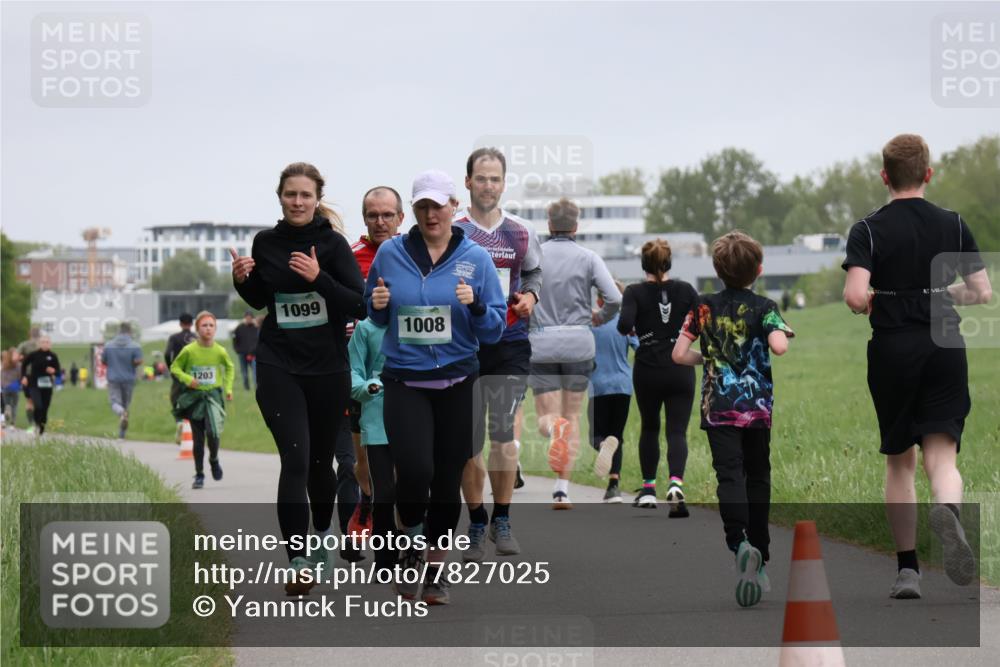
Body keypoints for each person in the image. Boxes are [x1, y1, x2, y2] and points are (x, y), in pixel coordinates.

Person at [841, 134, 992, 600]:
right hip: (945, 345)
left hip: (893, 351)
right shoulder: (954, 223)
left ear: (885, 177)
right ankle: (948, 509)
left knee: (900, 461)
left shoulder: (867, 229)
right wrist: (949, 295)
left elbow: (854, 296)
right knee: (941, 455)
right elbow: (982, 291)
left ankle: (908, 571)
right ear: (928, 174)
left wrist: (869, 301)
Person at [365, 169, 505, 605]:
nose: (430, 214)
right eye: (422, 206)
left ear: (453, 208)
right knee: (414, 472)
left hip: (459, 382)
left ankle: (435, 569)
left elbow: (496, 329)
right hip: (405, 380)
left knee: (446, 481)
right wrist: (377, 306)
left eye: (437, 206)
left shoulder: (476, 259)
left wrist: (477, 304)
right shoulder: (390, 253)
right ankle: (410, 546)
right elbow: (375, 313)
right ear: (414, 211)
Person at [230, 161, 366, 593]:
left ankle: (322, 535)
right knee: (295, 458)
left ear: (317, 199)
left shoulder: (333, 245)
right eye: (291, 194)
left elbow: (358, 305)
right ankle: (297, 561)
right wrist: (241, 283)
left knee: (320, 464)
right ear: (280, 196)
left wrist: (319, 278)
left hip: (328, 368)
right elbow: (261, 299)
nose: (298, 201)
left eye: (306, 195)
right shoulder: (265, 242)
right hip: (278, 363)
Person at [672, 231, 794, 608]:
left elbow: (679, 354)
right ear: (759, 269)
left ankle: (738, 542)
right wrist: (781, 330)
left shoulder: (702, 306)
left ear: (716, 269)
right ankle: (760, 553)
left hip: (718, 408)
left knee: (729, 475)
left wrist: (707, 361)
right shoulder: (765, 305)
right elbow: (779, 346)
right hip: (755, 411)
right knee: (757, 476)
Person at [454, 147, 543, 560]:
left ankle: (502, 519)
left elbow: (534, 271)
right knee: (468, 440)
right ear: (468, 182)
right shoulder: (454, 230)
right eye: (481, 178)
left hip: (509, 341)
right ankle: (475, 520)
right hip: (463, 345)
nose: (488, 185)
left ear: (503, 184)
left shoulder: (521, 232)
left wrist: (531, 294)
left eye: (495, 179)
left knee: (503, 433)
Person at [528, 197, 621, 509]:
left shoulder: (534, 256)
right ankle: (562, 489)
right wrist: (600, 318)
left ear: (550, 224)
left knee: (547, 419)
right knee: (572, 416)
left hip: (541, 343)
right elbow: (614, 298)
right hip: (580, 343)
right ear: (576, 227)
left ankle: (556, 429)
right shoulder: (589, 257)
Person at [617, 240, 699, 515]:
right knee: (677, 430)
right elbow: (702, 321)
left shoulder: (634, 292)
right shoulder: (686, 290)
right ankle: (675, 484)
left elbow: (624, 326)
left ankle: (649, 489)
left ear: (643, 264)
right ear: (669, 262)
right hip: (681, 368)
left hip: (648, 369)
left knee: (650, 427)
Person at [345, 186, 404, 543]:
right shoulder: (350, 256)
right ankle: (366, 498)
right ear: (364, 218)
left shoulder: (413, 255)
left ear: (401, 218)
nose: (380, 222)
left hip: (402, 369)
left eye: (387, 215)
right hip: (360, 367)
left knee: (401, 459)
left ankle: (398, 534)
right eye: (372, 215)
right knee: (365, 459)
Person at [348, 316, 392, 572]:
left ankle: (395, 543)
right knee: (362, 465)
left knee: (398, 477)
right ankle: (366, 497)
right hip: (360, 380)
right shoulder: (364, 325)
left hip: (394, 385)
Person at [170, 311, 235, 489]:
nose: (208, 329)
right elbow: (175, 368)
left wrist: (228, 388)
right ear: (197, 329)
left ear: (215, 329)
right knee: (198, 440)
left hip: (213, 396)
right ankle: (199, 474)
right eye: (204, 325)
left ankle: (214, 459)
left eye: (211, 325)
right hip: (194, 398)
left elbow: (230, 368)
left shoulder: (219, 350)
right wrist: (187, 379)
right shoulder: (189, 350)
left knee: (213, 433)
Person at [589, 281, 637, 503]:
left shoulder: (593, 324)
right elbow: (640, 347)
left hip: (598, 386)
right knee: (616, 436)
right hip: (623, 385)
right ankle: (614, 487)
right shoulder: (627, 325)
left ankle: (601, 447)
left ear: (600, 301)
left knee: (597, 435)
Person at [101, 322, 143, 439]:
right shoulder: (135, 346)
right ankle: (122, 435)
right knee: (126, 405)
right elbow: (138, 361)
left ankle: (120, 413)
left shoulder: (109, 345)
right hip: (129, 379)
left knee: (115, 402)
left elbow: (103, 360)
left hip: (113, 378)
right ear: (130, 332)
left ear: (119, 331)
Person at [20, 335, 60, 436]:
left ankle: (42, 426)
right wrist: (24, 376)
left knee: (45, 408)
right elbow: (24, 365)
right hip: (34, 384)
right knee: (38, 405)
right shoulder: (34, 355)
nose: (45, 344)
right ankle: (37, 424)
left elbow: (58, 371)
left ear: (50, 344)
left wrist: (54, 371)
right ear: (39, 344)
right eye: (43, 342)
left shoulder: (53, 356)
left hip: (47, 385)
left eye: (47, 342)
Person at [165, 314, 198, 436]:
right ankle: (192, 425)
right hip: (195, 372)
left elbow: (168, 353)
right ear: (191, 323)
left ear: (180, 323)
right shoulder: (196, 337)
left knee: (175, 397)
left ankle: (179, 421)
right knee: (193, 398)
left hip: (179, 372)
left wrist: (171, 367)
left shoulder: (174, 338)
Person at [16, 327, 41, 433]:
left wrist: (23, 359)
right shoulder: (42, 344)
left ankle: (31, 425)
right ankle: (39, 424)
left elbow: (15, 358)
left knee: (29, 401)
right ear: (39, 334)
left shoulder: (24, 345)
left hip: (28, 375)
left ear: (29, 334)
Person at [232, 311, 259, 391]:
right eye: (247, 318)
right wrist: (237, 350)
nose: (248, 319)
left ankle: (257, 387)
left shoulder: (256, 328)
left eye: (250, 318)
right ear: (244, 318)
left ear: (252, 318)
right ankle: (246, 388)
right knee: (244, 373)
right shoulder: (239, 328)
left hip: (253, 354)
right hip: (242, 354)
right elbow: (235, 340)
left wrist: (253, 351)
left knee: (255, 372)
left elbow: (257, 341)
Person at [2, 349, 22, 428]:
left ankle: (7, 409)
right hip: (15, 388)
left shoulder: (4, 365)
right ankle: (12, 424)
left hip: (6, 388)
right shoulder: (19, 365)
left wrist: (3, 385)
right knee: (14, 406)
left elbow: (2, 376)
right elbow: (20, 376)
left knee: (6, 404)